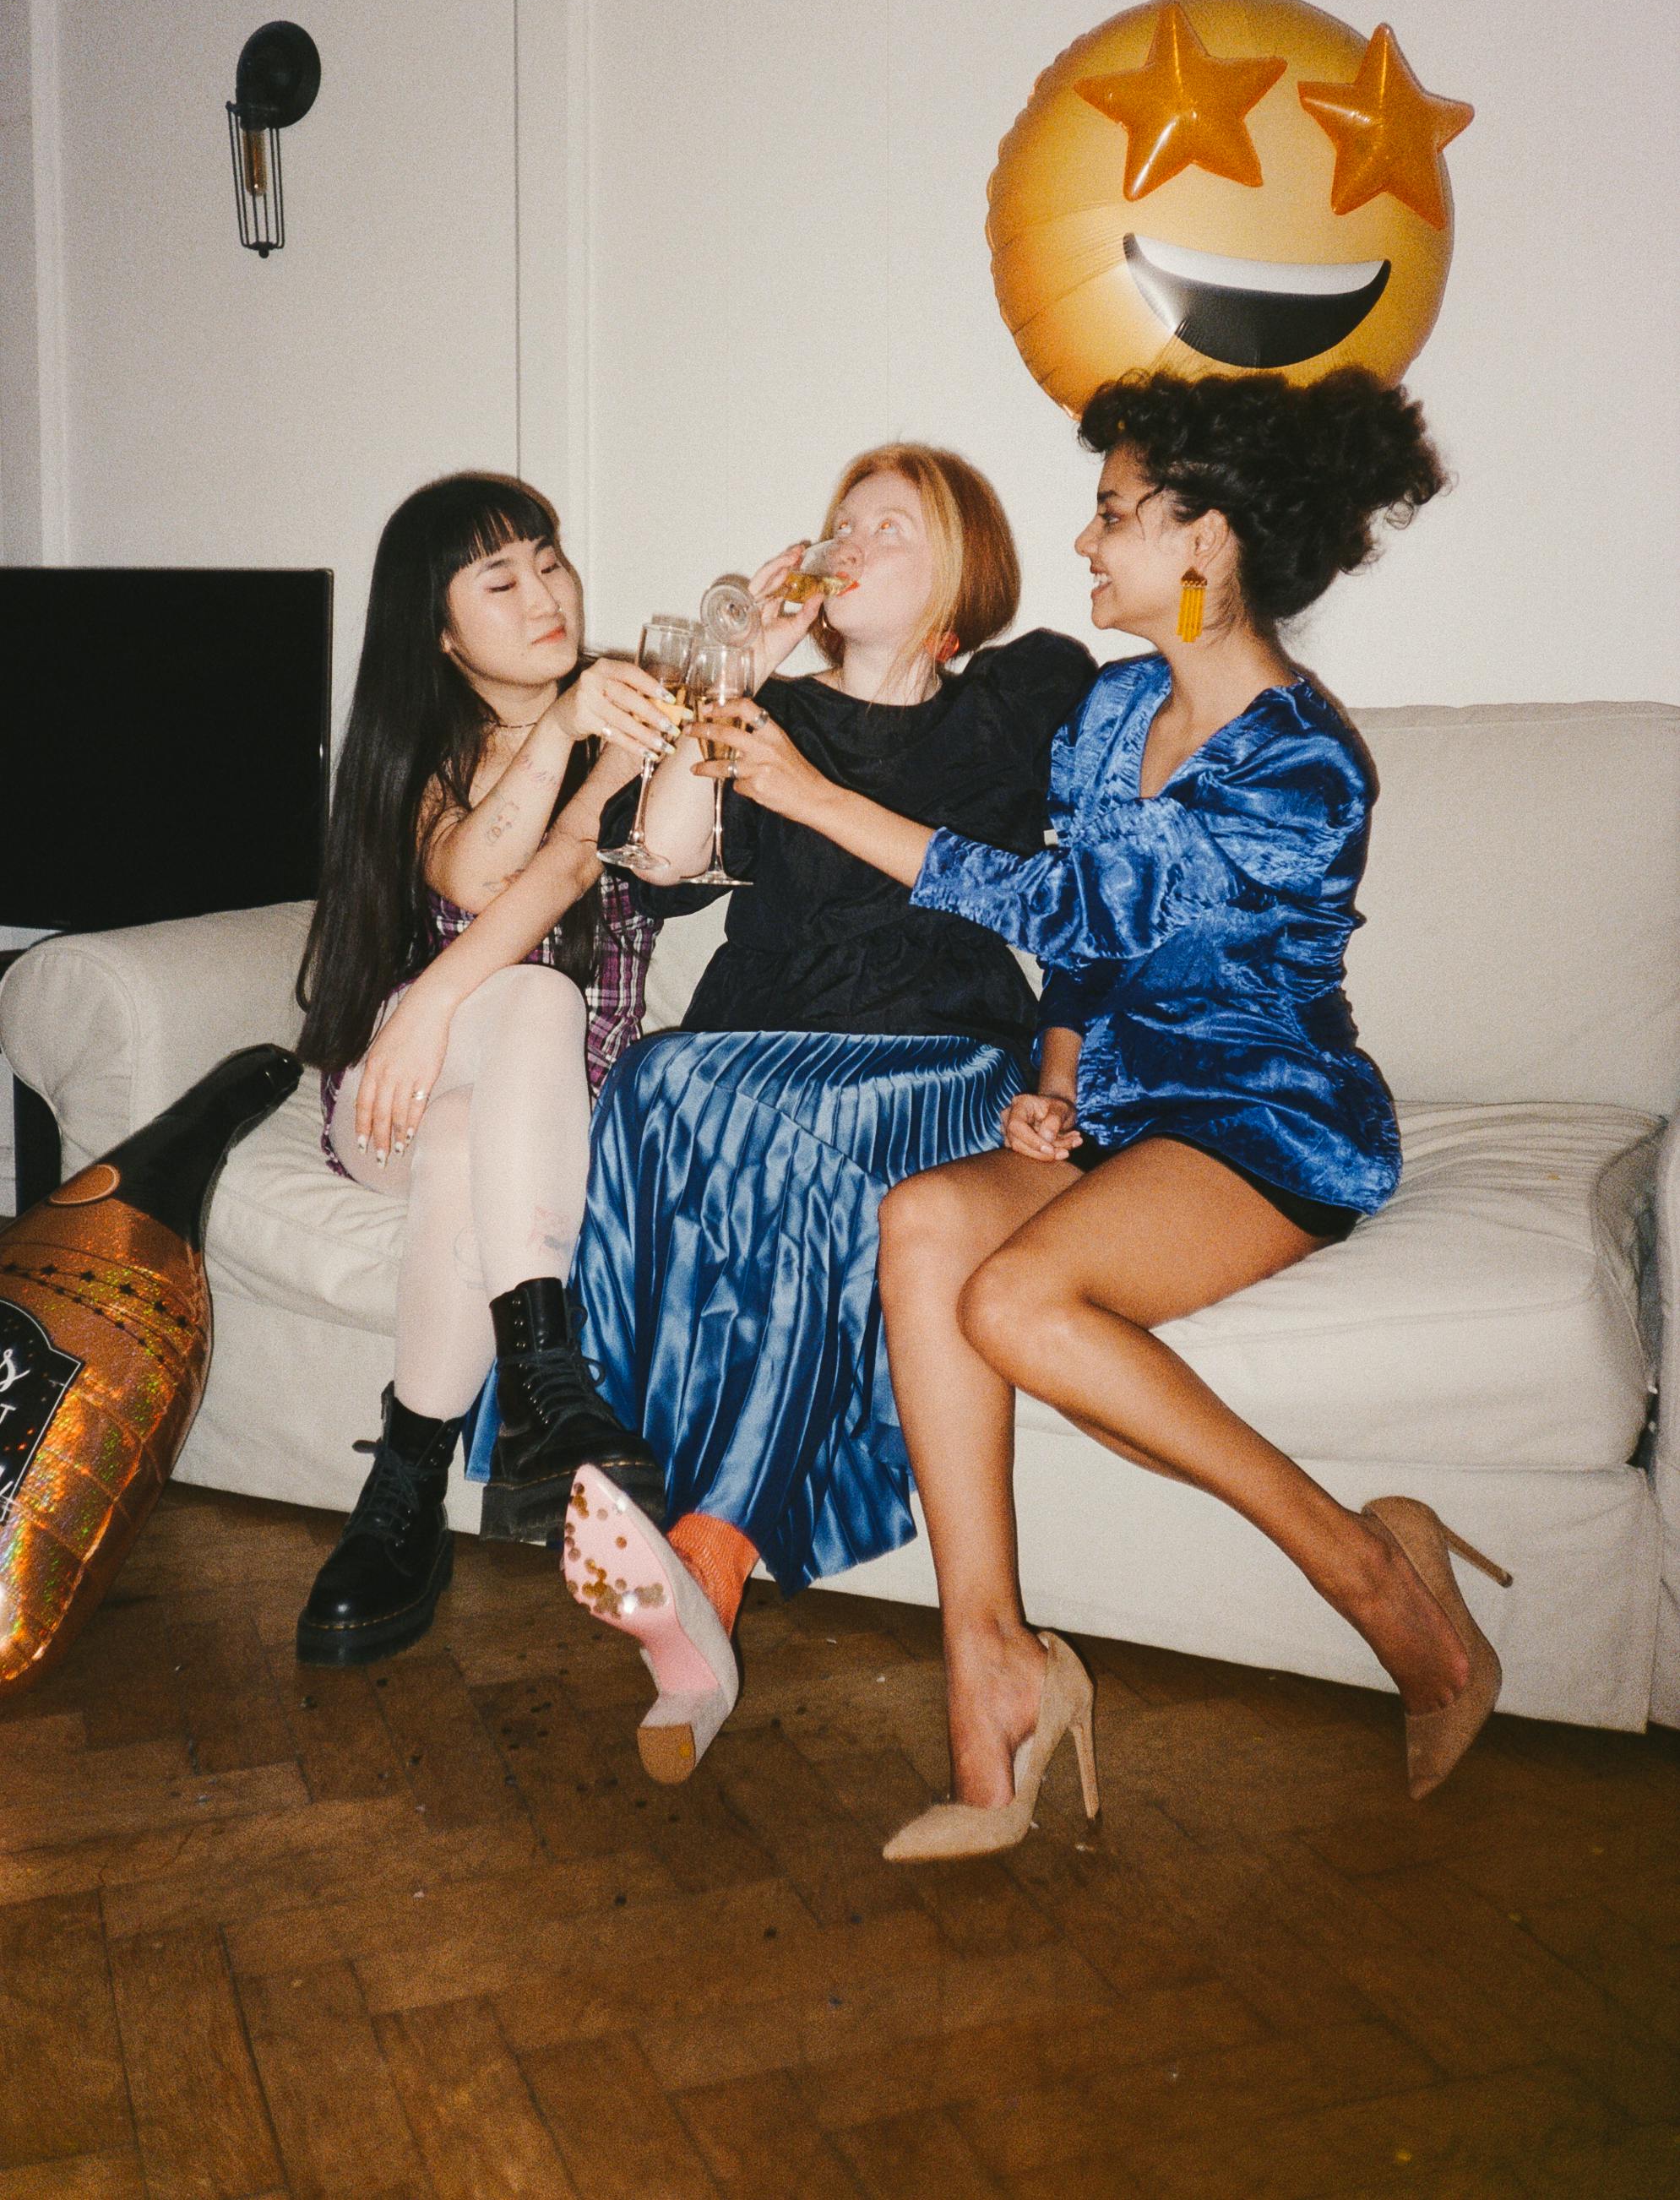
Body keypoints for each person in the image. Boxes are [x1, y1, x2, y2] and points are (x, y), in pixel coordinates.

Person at [697, 368, 1514, 1858]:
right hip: (1124, 1109)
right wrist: (1055, 1090)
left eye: (1117, 513)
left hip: (1265, 1114)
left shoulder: (1301, 765)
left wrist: (811, 795)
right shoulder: (1113, 706)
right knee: (924, 1218)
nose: (1087, 541)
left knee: (1014, 1298)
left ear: (1205, 543)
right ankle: (988, 1675)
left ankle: (1374, 1579)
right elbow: (1078, 955)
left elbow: (1065, 893)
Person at [558, 445, 1096, 1781]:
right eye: (837, 521)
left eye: (890, 528)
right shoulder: (767, 707)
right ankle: (643, 1498)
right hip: (753, 1048)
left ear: (959, 574)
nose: (848, 541)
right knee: (656, 1078)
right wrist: (735, 671)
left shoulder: (1021, 698)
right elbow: (668, 859)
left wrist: (1059, 1082)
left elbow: (1078, 903)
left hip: (926, 1061)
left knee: (806, 1151)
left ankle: (708, 1561)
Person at [292, 471, 680, 1665]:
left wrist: (730, 658)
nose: (545, 592)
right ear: (441, 628)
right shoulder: (414, 748)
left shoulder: (627, 713)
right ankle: (546, 1377)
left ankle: (408, 1476)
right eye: (499, 577)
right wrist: (421, 1017)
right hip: (387, 1098)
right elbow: (471, 875)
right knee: (523, 997)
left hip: (527, 1122)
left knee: (499, 1077)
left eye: (550, 559)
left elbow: (585, 865)